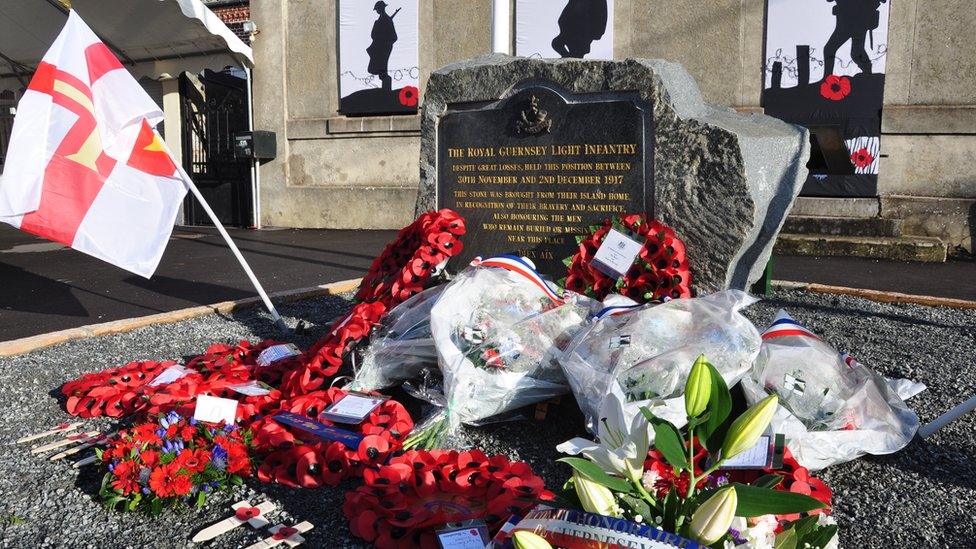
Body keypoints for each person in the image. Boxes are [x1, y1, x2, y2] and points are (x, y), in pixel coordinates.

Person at [822, 0, 886, 77]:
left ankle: (827, 77)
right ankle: (867, 72)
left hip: (854, 19)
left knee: (831, 49)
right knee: (856, 51)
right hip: (851, 18)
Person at [366, 1, 400, 92]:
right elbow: (373, 35)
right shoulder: (379, 21)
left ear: (382, 8)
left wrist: (385, 43)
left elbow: (394, 37)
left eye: (378, 9)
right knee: (378, 67)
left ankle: (386, 91)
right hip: (378, 47)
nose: (377, 11)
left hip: (384, 48)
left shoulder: (387, 20)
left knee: (383, 69)